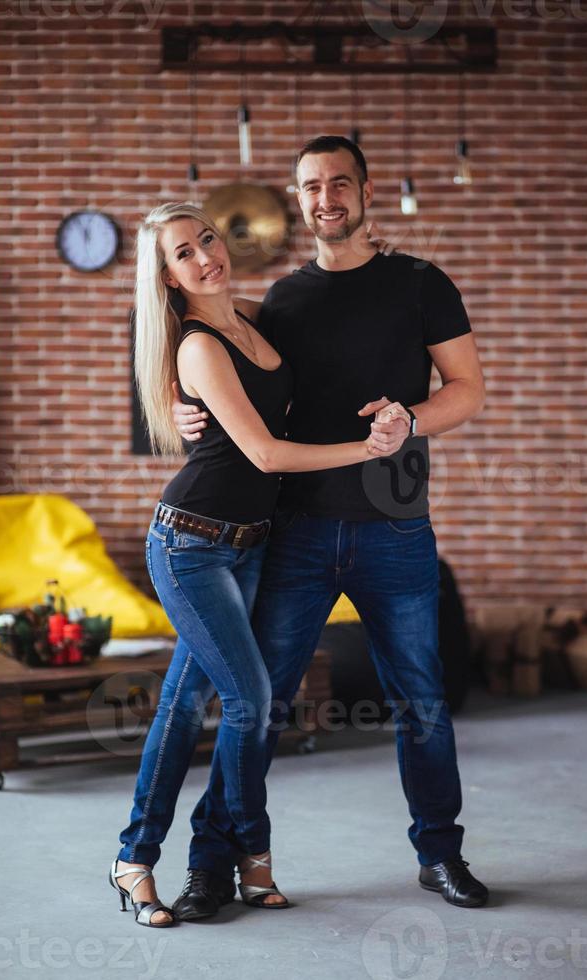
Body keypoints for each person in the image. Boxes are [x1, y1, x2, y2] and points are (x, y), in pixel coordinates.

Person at [173, 136, 489, 910]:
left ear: (366, 191)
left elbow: (469, 388)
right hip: (297, 532)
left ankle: (440, 854)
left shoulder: (422, 284)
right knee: (260, 704)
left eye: (340, 183)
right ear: (299, 197)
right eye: (312, 186)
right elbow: (201, 340)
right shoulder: (281, 300)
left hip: (396, 529)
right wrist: (182, 412)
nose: (326, 199)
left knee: (420, 698)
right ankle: (213, 859)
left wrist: (410, 418)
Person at [112, 200, 405, 928]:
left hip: (250, 541)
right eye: (183, 253)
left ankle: (132, 861)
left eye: (206, 238)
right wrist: (368, 452)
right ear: (168, 278)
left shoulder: (253, 315)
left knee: (184, 709)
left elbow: (280, 406)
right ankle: (253, 857)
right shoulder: (200, 345)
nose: (204, 255)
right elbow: (267, 453)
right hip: (190, 544)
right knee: (251, 703)